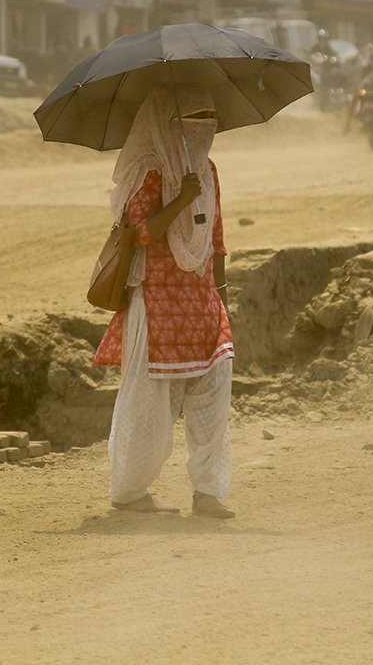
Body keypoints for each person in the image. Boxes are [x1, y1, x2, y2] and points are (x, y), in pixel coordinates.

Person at [92, 83, 236, 520]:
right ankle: (130, 493)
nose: (203, 132)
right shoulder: (151, 172)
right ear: (168, 125)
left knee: (214, 392)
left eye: (208, 124)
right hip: (157, 304)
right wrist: (181, 200)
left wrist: (222, 298)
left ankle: (208, 492)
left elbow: (216, 240)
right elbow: (143, 232)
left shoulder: (207, 171)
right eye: (194, 124)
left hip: (201, 302)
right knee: (149, 403)